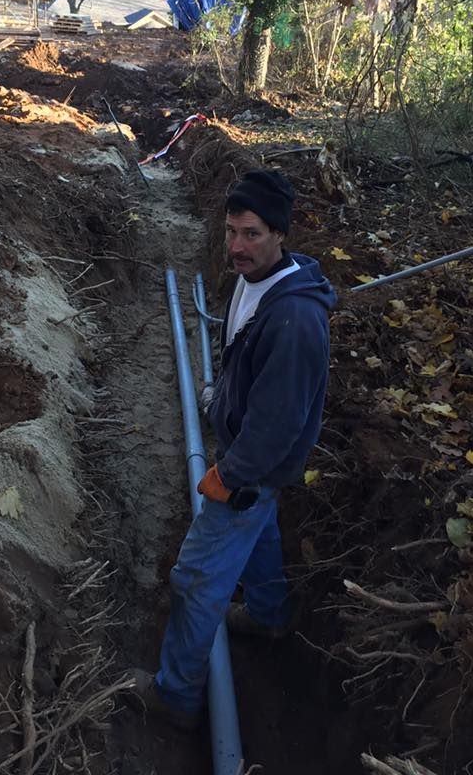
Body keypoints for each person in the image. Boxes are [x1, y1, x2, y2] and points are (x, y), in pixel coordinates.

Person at [129, 169, 337, 730]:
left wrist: (230, 474)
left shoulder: (294, 320)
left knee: (196, 581)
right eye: (229, 232)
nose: (236, 248)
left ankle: (175, 696)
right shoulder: (255, 281)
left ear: (280, 234)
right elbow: (245, 366)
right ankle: (269, 616)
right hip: (250, 457)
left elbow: (277, 424)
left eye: (250, 234)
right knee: (262, 533)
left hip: (252, 464)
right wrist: (219, 395)